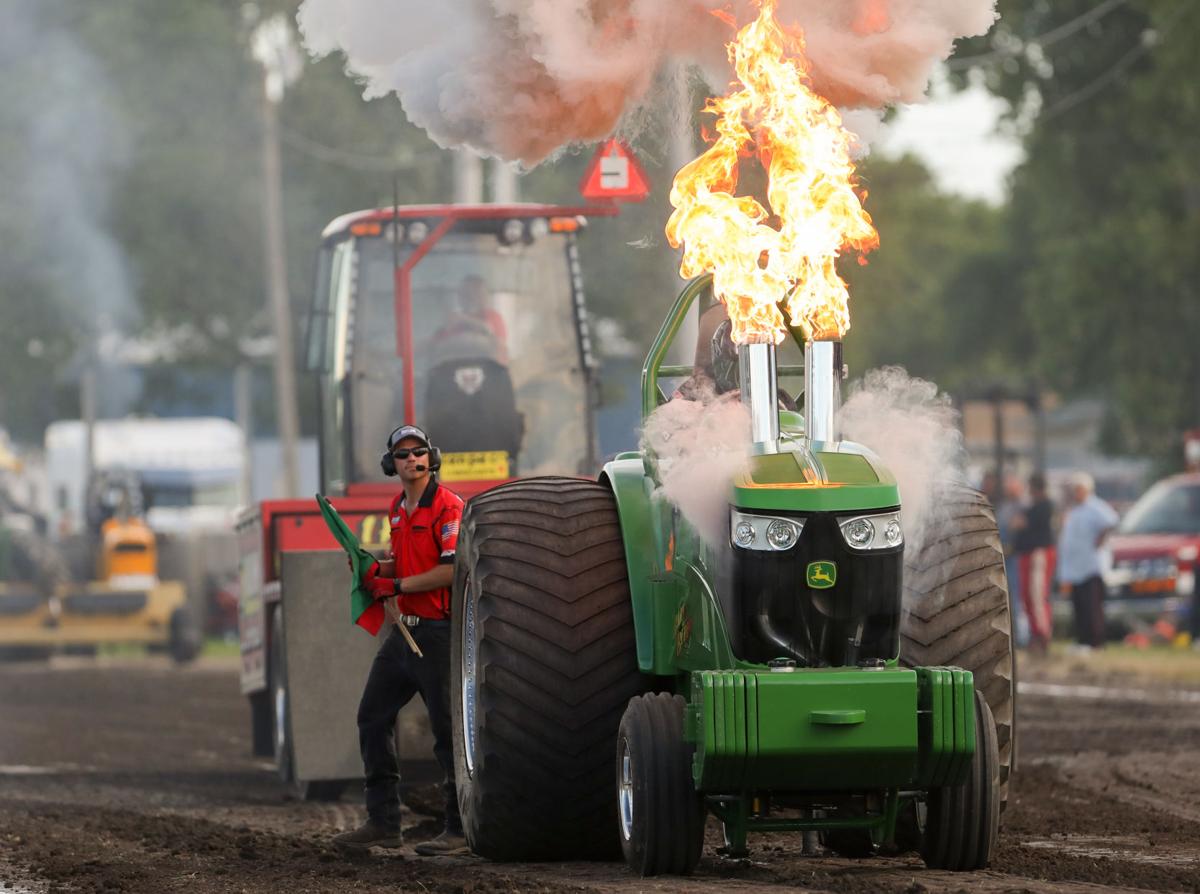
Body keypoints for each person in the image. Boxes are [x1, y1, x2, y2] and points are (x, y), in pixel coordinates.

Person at [333, 423, 468, 856]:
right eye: (403, 454)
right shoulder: (397, 509)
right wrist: (376, 570)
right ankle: (384, 823)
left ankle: (459, 830)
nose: (412, 459)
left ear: (432, 457)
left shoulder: (449, 507)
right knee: (372, 718)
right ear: (390, 464)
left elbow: (451, 570)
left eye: (419, 452)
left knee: (446, 732)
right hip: (403, 633)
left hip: (437, 634)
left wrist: (396, 585)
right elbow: (402, 564)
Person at [1056, 471, 1118, 651]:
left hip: (1091, 566)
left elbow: (1111, 521)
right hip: (1076, 568)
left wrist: (1100, 539)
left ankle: (1096, 642)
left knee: (1092, 606)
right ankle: (1082, 640)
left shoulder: (1095, 506)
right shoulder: (1075, 509)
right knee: (1079, 606)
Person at [1013, 472, 1057, 654]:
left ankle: (1042, 634)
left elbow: (1021, 523)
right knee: (1027, 597)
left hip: (1038, 553)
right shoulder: (1033, 506)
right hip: (1028, 553)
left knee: (1037, 595)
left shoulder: (1045, 506)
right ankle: (1035, 633)